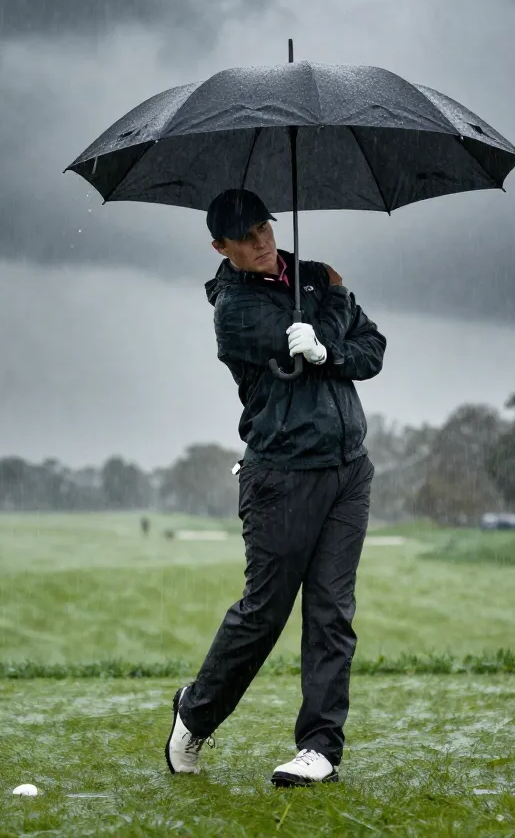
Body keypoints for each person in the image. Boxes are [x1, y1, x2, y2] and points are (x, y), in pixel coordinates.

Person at [164, 188, 386, 787]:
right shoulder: (233, 310)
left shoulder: (309, 277)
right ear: (222, 248)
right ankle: (196, 711)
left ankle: (318, 748)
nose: (262, 244)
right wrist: (335, 300)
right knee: (264, 614)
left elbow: (372, 350)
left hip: (348, 470)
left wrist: (327, 337)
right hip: (281, 475)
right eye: (246, 239)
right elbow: (300, 338)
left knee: (332, 613)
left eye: (264, 229)